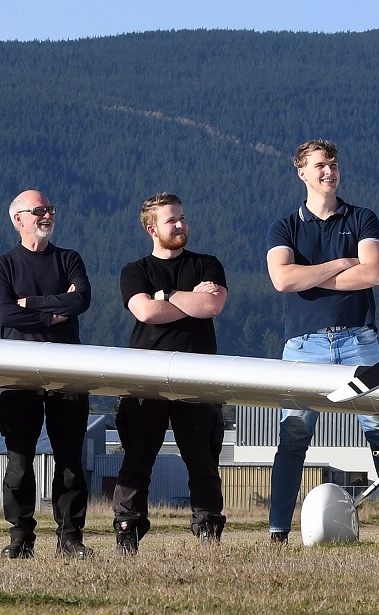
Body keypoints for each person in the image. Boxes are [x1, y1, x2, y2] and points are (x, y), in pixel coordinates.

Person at [266, 140, 379, 545]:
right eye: (321, 165)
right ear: (302, 173)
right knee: (292, 437)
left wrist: (311, 274)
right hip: (302, 346)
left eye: (334, 165)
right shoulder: (284, 226)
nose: (329, 171)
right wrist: (341, 264)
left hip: (358, 342)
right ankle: (278, 532)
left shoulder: (363, 218)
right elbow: (282, 280)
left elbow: (372, 273)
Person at [114, 193, 230, 555]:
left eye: (182, 218)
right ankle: (128, 527)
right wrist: (185, 299)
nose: (180, 225)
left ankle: (208, 527)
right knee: (137, 458)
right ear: (152, 229)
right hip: (146, 377)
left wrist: (166, 297)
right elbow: (146, 313)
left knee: (203, 462)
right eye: (171, 220)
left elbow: (211, 305)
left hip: (198, 375)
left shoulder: (208, 264)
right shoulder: (136, 271)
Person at [0, 190, 94, 559]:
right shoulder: (2, 266)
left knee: (70, 459)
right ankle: (20, 536)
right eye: (39, 211)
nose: (47, 215)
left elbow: (81, 300)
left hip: (68, 371)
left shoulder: (69, 259)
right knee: (18, 462)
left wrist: (30, 304)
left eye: (50, 209)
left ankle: (70, 537)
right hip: (18, 375)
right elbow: (4, 315)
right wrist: (55, 310)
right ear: (18, 219)